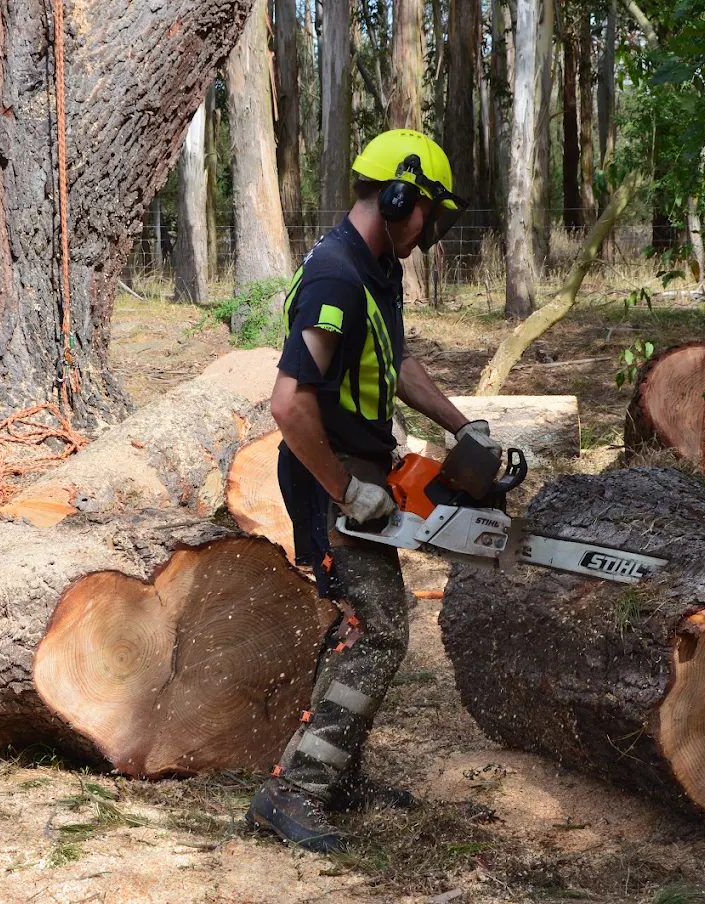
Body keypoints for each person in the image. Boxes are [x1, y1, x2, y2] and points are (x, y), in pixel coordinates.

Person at [246, 129, 499, 854]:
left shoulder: (377, 266)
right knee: (381, 626)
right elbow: (289, 405)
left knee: (366, 620)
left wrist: (462, 428)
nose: (431, 227)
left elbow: (399, 362)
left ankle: (335, 774)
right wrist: (345, 493)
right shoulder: (333, 278)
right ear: (399, 198)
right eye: (429, 211)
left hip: (362, 464)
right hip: (329, 474)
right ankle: (294, 792)